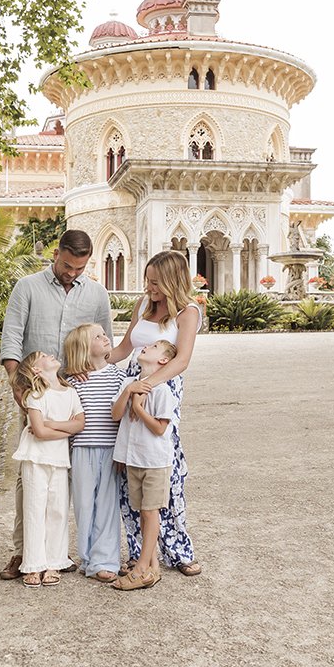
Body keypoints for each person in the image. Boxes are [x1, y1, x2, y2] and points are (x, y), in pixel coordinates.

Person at [0, 229, 113, 580]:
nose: (72, 273)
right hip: (35, 394)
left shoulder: (96, 293)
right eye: (67, 265)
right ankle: (24, 552)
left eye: (80, 268)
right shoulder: (27, 287)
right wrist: (20, 388)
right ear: (56, 253)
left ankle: (61, 553)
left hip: (77, 394)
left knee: (72, 473)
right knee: (31, 474)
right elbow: (12, 338)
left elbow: (104, 344)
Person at [107, 249, 203, 576]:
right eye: (147, 281)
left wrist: (147, 384)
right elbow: (123, 349)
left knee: (166, 470)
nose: (149, 288)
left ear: (174, 281)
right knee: (129, 466)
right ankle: (139, 552)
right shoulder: (143, 306)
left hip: (162, 386)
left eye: (156, 283)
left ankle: (179, 550)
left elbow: (182, 359)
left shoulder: (188, 312)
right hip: (131, 381)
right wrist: (89, 364)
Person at [109, 339, 181, 591]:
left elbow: (160, 429)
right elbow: (115, 415)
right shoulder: (129, 383)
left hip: (154, 461)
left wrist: (138, 408)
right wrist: (129, 393)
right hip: (133, 459)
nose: (145, 348)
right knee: (141, 511)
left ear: (162, 360)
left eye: (152, 348)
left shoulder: (162, 391)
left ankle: (142, 568)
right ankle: (153, 568)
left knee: (150, 512)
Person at [9, 351, 84, 588]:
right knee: (34, 510)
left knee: (57, 511)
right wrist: (66, 429)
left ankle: (54, 561)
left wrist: (51, 424)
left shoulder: (70, 393)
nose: (51, 355)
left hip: (59, 460)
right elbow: (39, 434)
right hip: (36, 459)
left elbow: (80, 424)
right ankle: (33, 564)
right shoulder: (36, 395)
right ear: (36, 370)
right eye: (44, 356)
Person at [62, 323, 127, 583]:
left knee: (107, 507)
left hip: (110, 450)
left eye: (104, 334)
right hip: (81, 451)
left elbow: (124, 419)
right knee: (84, 505)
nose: (105, 338)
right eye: (98, 336)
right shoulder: (71, 383)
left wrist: (123, 453)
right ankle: (87, 558)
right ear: (84, 349)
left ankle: (105, 560)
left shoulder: (118, 377)